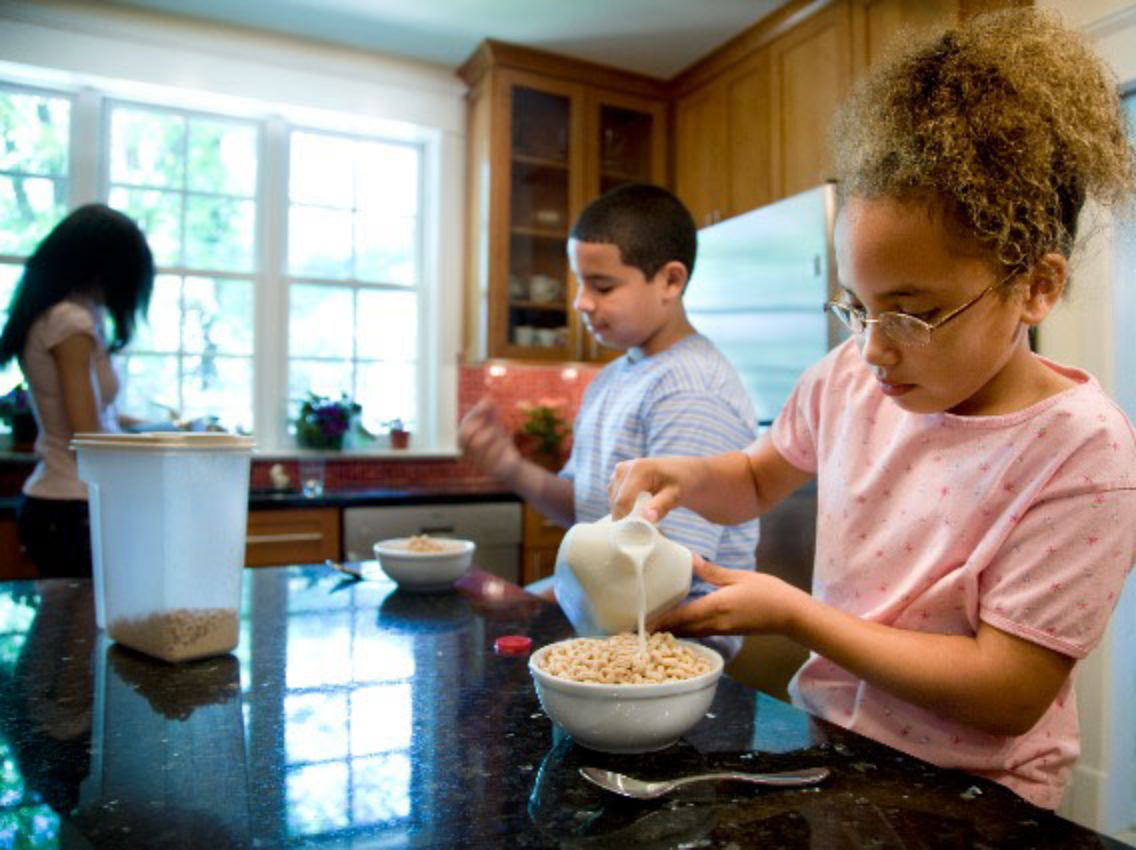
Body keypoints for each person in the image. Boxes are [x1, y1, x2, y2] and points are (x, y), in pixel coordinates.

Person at [607, 10, 1136, 810]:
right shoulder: (846, 379)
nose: (875, 349)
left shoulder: (1083, 453)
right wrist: (684, 473)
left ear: (1036, 286)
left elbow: (1008, 692)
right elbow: (754, 478)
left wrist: (795, 614)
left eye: (912, 314)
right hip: (834, 752)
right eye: (857, 306)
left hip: (977, 798)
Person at [460, 183, 760, 659]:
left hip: (682, 653)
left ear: (670, 281)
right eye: (579, 282)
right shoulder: (614, 377)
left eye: (602, 286)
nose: (581, 302)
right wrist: (509, 466)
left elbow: (666, 574)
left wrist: (537, 602)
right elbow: (589, 510)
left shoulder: (689, 388)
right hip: (616, 624)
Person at [0, 204, 154, 578]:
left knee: (74, 631)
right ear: (101, 268)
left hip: (62, 502)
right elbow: (87, 434)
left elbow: (83, 411)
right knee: (82, 633)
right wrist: (155, 450)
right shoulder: (70, 321)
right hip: (72, 506)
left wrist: (138, 425)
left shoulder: (60, 314)